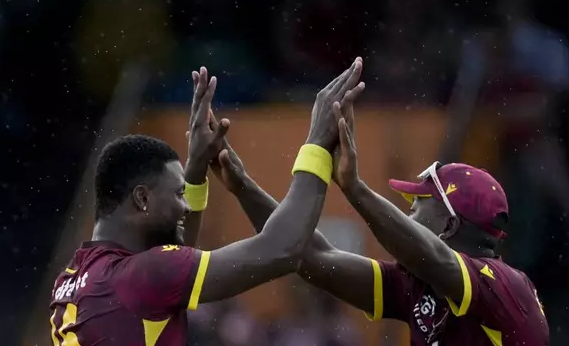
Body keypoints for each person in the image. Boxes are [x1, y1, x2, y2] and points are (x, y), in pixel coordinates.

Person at [48, 59, 365, 346]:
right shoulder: (145, 274)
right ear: (142, 198)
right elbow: (282, 249)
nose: (186, 207)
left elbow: (173, 255)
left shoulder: (72, 279)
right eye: (177, 195)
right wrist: (317, 145)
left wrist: (196, 172)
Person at [209, 88, 549, 345]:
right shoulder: (419, 284)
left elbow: (431, 256)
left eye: (417, 208)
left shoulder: (505, 287)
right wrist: (242, 188)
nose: (407, 215)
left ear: (448, 227)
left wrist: (355, 188)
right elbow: (313, 258)